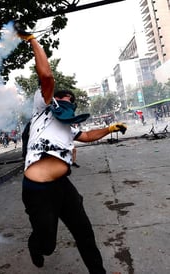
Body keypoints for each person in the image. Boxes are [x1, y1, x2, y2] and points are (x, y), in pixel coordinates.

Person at [16, 27, 127, 273]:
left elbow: (86, 136)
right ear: (54, 99)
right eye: (62, 99)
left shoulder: (69, 125)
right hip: (37, 191)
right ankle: (35, 245)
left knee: (85, 233)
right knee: (47, 245)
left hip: (63, 187)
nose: (66, 102)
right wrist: (34, 41)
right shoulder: (43, 109)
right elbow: (46, 77)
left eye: (70, 101)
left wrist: (110, 129)